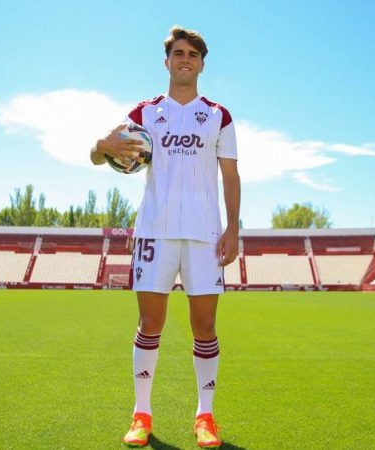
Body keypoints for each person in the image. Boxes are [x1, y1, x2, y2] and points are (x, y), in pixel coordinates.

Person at [90, 25, 240, 449]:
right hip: (155, 230)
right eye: (178, 53)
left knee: (204, 325)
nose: (185, 59)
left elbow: (230, 174)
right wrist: (102, 144)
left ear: (202, 63)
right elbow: (99, 154)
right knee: (150, 323)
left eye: (192, 54)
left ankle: (205, 417)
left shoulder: (218, 116)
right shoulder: (144, 114)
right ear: (167, 61)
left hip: (205, 234)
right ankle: (141, 415)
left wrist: (233, 227)